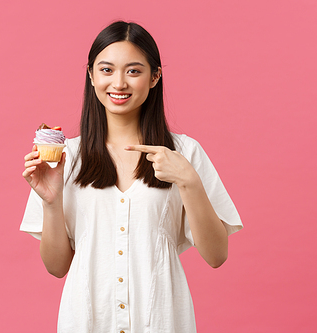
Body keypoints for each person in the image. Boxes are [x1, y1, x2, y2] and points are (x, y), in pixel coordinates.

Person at [21, 21, 243, 333]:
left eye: (134, 71)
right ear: (91, 75)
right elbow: (57, 267)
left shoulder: (184, 153)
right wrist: (52, 202)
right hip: (87, 322)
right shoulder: (65, 160)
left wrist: (189, 182)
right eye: (107, 70)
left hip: (163, 322)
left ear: (155, 77)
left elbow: (217, 255)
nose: (119, 83)